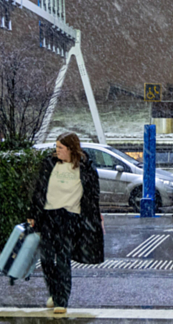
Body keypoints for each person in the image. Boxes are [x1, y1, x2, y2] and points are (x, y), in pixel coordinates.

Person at [27, 132, 104, 314]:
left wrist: (95, 218)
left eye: (60, 148)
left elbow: (92, 196)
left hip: (70, 217)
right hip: (48, 216)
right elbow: (39, 189)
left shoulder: (85, 168)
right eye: (56, 147)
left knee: (62, 259)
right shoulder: (49, 164)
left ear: (71, 149)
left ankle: (62, 300)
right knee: (46, 259)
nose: (57, 151)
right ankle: (54, 292)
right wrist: (32, 213)